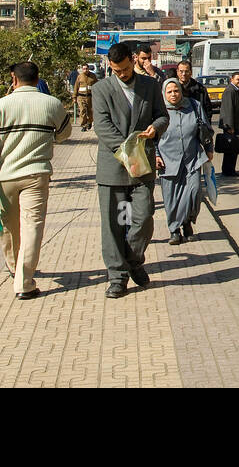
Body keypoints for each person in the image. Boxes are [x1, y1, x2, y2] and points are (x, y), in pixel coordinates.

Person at [0, 61, 71, 301]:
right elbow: (64, 133)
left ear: (13, 79)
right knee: (32, 227)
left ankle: (13, 266)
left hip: (6, 177)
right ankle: (24, 282)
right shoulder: (52, 104)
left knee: (9, 225)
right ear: (38, 79)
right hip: (36, 175)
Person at [92, 41, 169, 299]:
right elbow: (102, 127)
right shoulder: (101, 89)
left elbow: (162, 116)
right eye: (116, 71)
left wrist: (155, 128)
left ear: (133, 60)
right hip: (113, 166)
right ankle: (117, 276)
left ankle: (134, 259)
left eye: (124, 69)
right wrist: (128, 151)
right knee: (113, 225)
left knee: (144, 218)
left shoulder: (150, 86)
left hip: (142, 168)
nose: (122, 74)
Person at [156, 78, 213, 246]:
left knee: (195, 192)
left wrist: (209, 149)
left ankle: (188, 222)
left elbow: (206, 129)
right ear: (164, 94)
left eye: (176, 91)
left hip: (192, 158)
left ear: (181, 91)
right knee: (171, 198)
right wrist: (156, 155)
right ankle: (174, 230)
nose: (173, 94)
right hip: (168, 161)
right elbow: (152, 137)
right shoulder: (159, 111)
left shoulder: (194, 106)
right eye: (169, 92)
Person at [218, 70, 239, 177]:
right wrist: (230, 127)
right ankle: (228, 170)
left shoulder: (235, 90)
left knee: (234, 148)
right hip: (231, 126)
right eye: (237, 79)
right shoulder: (230, 91)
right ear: (232, 80)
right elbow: (228, 109)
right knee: (230, 149)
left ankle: (231, 169)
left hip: (235, 125)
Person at [74, 64, 97, 131]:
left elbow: (97, 85)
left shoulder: (93, 76)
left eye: (86, 68)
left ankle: (89, 122)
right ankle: (83, 125)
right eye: (84, 69)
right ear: (82, 69)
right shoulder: (80, 76)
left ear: (88, 68)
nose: (85, 70)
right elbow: (76, 87)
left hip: (90, 97)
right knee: (82, 111)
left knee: (90, 111)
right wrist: (74, 97)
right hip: (81, 97)